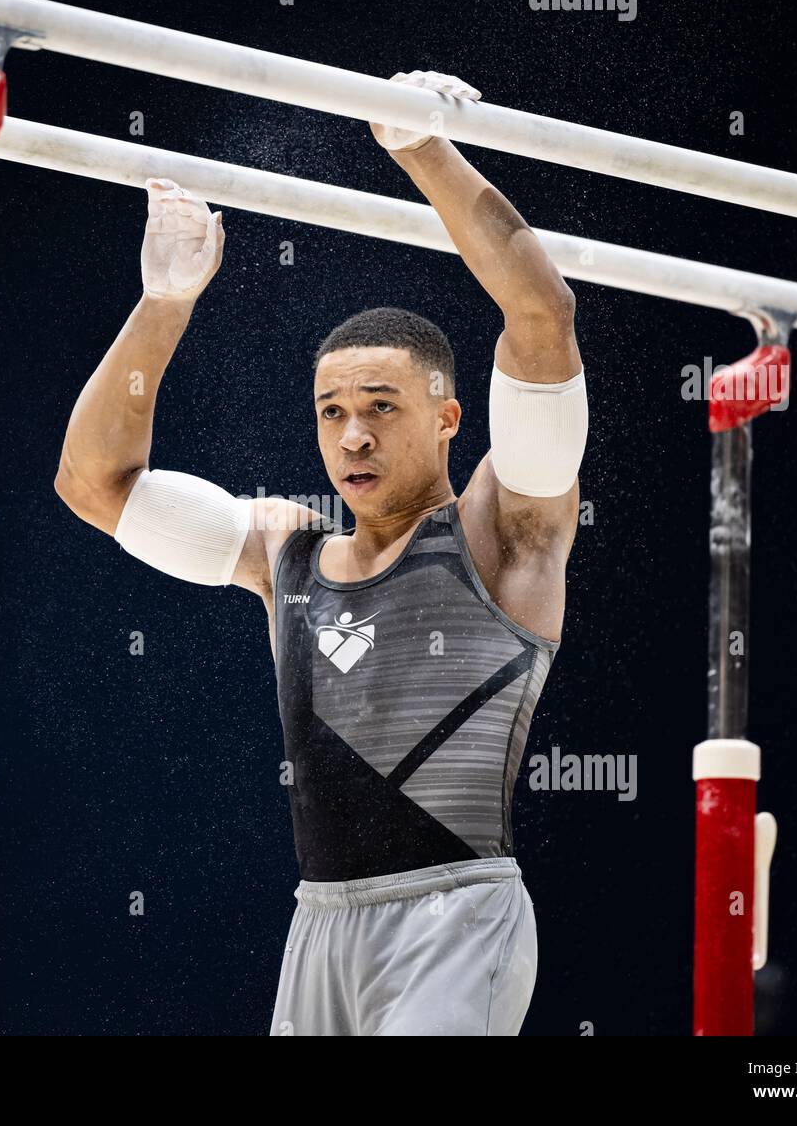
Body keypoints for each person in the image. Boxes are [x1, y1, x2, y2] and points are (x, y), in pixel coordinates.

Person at [54, 71, 586, 1036]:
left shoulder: (504, 531)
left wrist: (418, 147)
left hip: (456, 916)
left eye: (382, 409)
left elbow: (543, 317)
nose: (352, 439)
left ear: (448, 416)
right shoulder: (284, 554)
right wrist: (164, 304)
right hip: (320, 927)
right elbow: (95, 486)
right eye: (332, 414)